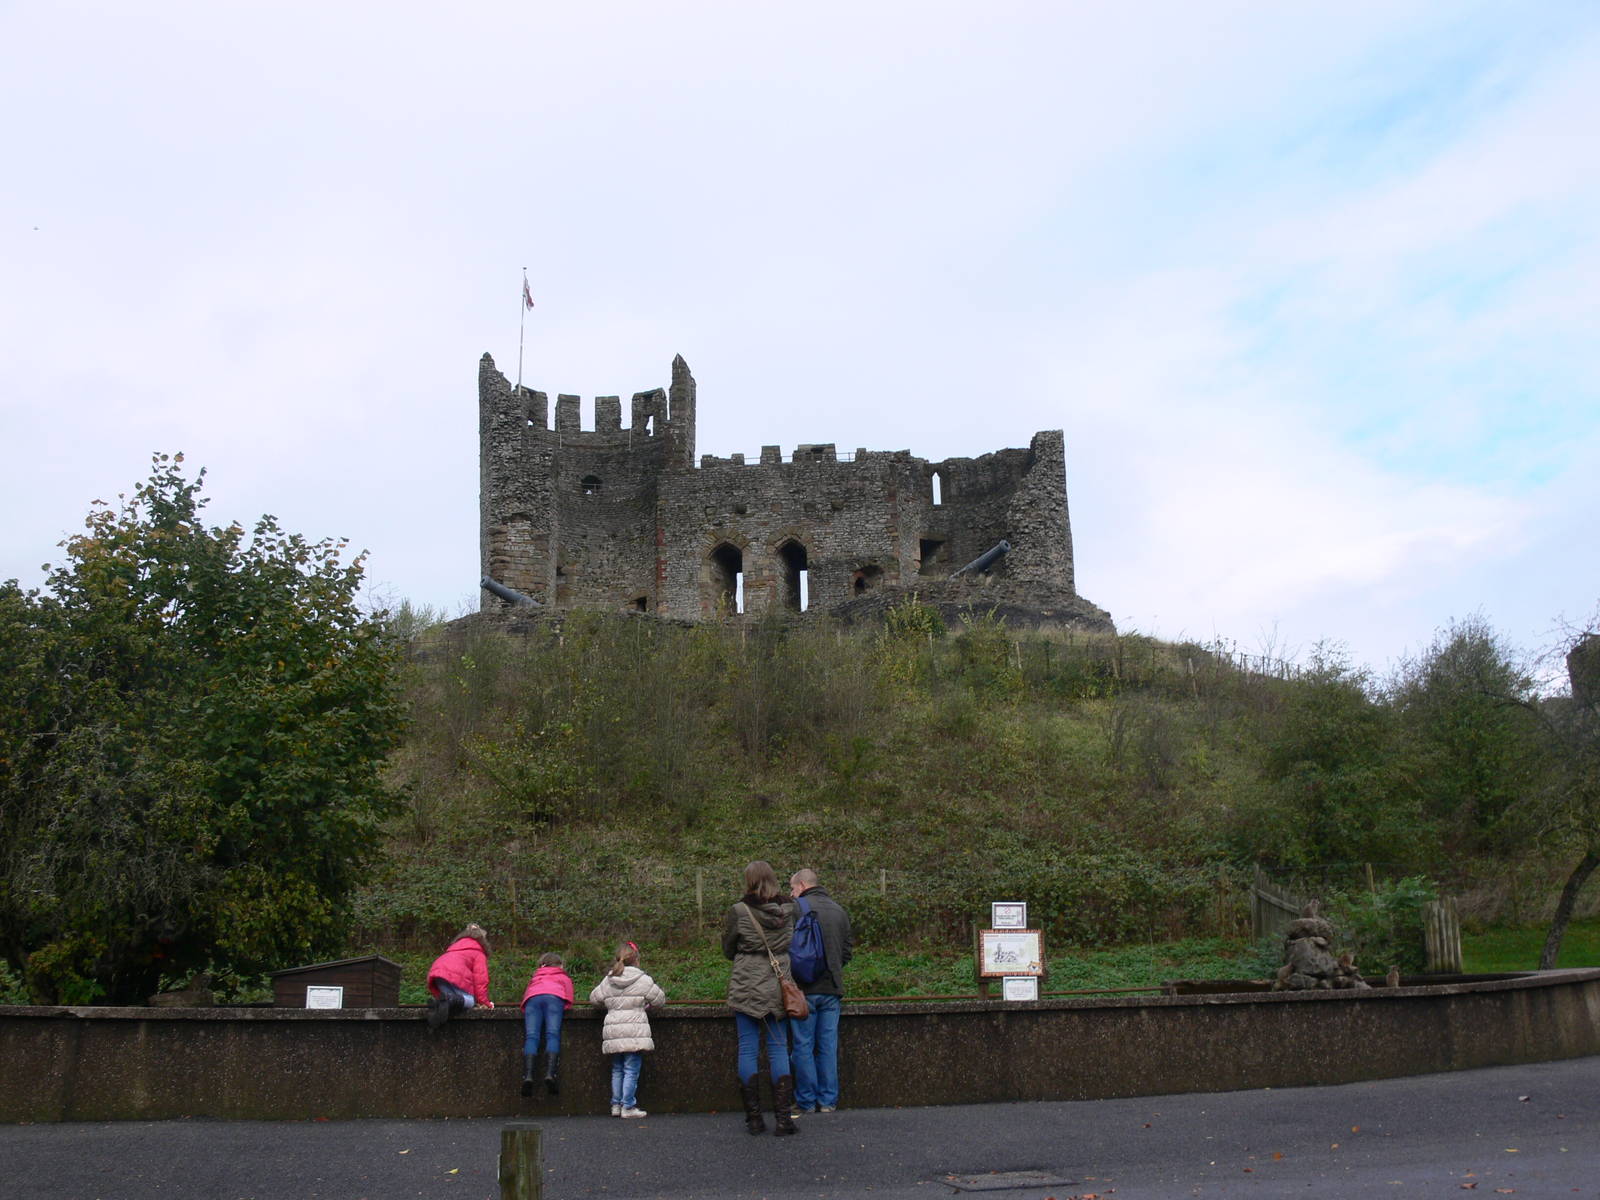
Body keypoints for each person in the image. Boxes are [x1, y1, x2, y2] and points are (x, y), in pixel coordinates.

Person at [722, 860, 799, 1137]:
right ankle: (783, 1119)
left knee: (747, 1049)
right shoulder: (792, 909)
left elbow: (728, 948)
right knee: (779, 1048)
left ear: (748, 880)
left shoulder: (739, 911)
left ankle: (754, 1119)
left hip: (746, 983)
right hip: (779, 982)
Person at [787, 867, 854, 1114]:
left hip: (804, 989)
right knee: (827, 1046)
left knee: (803, 1045)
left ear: (802, 886)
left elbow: (786, 949)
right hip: (832, 989)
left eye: (793, 889)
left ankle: (806, 1101)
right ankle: (828, 1101)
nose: (791, 894)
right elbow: (847, 951)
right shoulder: (839, 910)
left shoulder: (796, 909)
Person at [589, 940, 666, 1118]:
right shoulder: (643, 980)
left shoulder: (608, 979)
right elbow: (660, 1000)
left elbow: (594, 999)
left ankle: (616, 1105)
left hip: (614, 1030)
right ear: (636, 959)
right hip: (635, 1030)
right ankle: (628, 1106)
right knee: (631, 1068)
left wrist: (611, 1004)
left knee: (617, 1068)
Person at [519, 951, 574, 1097]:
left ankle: (528, 1076)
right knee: (552, 1035)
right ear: (560, 964)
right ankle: (550, 1074)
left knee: (531, 1037)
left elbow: (526, 995)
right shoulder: (563, 976)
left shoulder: (535, 976)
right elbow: (569, 998)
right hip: (554, 999)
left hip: (533, 1000)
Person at [425, 922, 493, 1028]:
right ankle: (447, 1000)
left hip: (437, 970)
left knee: (451, 1004)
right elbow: (480, 981)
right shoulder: (478, 953)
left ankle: (436, 1008)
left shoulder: (454, 948)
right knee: (470, 1001)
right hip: (453, 972)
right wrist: (485, 1003)